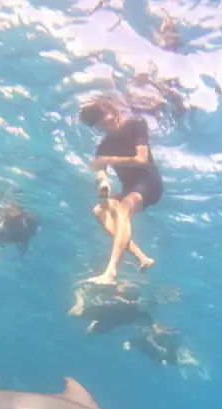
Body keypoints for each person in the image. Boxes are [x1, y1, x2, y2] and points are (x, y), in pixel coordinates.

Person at [79, 99, 163, 284]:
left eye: (107, 119)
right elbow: (100, 171)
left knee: (122, 209)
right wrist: (103, 182)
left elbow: (142, 160)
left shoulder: (135, 127)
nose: (105, 125)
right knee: (99, 211)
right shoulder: (103, 147)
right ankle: (142, 258)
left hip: (149, 182)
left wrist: (109, 160)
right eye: (100, 124)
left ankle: (110, 273)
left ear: (116, 113)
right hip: (129, 188)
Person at [68, 281, 155, 335]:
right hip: (106, 313)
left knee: (90, 334)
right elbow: (115, 295)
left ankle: (93, 325)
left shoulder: (141, 315)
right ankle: (79, 297)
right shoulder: (133, 300)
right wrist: (126, 302)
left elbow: (150, 323)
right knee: (73, 313)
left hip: (111, 321)